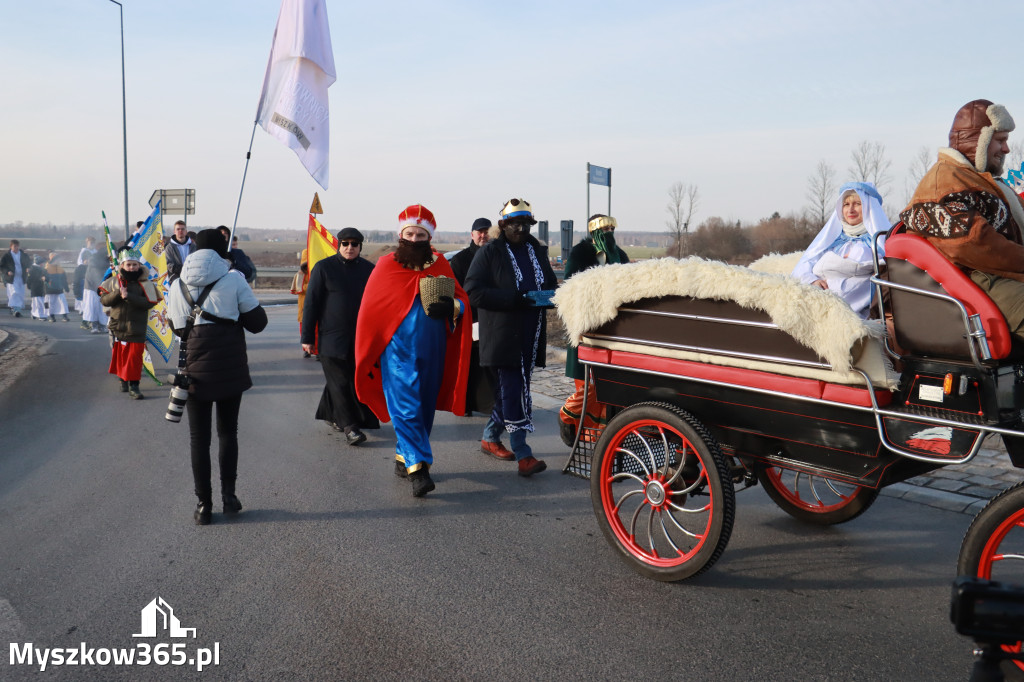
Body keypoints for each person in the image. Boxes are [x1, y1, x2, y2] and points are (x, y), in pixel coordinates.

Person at [354, 204, 472, 497]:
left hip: (433, 349)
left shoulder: (440, 264)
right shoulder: (386, 266)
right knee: (405, 406)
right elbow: (370, 310)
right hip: (397, 351)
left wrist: (453, 307)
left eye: (421, 234)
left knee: (424, 406)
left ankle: (402, 456)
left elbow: (462, 301)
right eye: (410, 233)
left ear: (429, 237)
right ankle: (419, 468)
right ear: (401, 234)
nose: (415, 239)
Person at [165, 229, 268, 526]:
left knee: (199, 440)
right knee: (227, 433)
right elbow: (258, 323)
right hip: (229, 366)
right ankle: (229, 496)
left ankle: (203, 505)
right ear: (223, 250)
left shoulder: (176, 285)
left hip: (194, 370)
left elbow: (177, 329)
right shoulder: (233, 278)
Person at [901, 99, 1024, 339]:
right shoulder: (944, 181)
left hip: (994, 278)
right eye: (1000, 140)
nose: (1007, 149)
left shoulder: (981, 180)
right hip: (972, 282)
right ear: (978, 141)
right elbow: (972, 242)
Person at [465, 198, 557, 476]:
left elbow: (550, 283)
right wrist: (515, 298)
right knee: (515, 389)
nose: (520, 228)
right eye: (514, 223)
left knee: (512, 390)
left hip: (531, 333)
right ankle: (523, 453)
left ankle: (490, 436)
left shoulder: (536, 251)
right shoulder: (490, 253)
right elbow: (473, 291)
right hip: (502, 333)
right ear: (503, 226)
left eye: (525, 224)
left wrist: (550, 297)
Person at [558, 214, 631, 445]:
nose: (608, 232)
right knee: (588, 387)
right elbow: (570, 285)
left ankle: (598, 440)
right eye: (604, 228)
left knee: (606, 390)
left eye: (612, 228)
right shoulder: (581, 252)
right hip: (587, 329)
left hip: (612, 331)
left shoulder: (619, 254)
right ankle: (568, 418)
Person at [302, 227, 379, 445]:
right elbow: (311, 304)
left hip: (360, 339)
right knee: (340, 382)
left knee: (348, 381)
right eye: (345, 243)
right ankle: (350, 427)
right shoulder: (324, 268)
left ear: (360, 247)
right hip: (331, 339)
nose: (350, 248)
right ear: (339, 245)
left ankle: (331, 414)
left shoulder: (369, 270)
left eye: (354, 244)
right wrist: (307, 337)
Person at [791, 182, 889, 318]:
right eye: (846, 204)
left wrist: (826, 277)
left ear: (869, 207)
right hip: (814, 301)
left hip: (850, 311)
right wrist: (812, 280)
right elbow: (804, 265)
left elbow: (859, 282)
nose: (850, 210)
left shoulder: (877, 242)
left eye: (857, 204)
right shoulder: (831, 239)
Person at [447, 217, 495, 418]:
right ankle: (465, 404)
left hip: (491, 317)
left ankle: (489, 405)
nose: (483, 235)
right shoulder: (460, 260)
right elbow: (454, 290)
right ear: (472, 235)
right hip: (468, 318)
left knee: (488, 364)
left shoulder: (497, 256)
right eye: (479, 232)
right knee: (467, 363)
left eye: (486, 231)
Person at [98, 247, 161, 399]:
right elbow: (104, 300)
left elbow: (149, 303)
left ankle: (134, 385)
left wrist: (129, 296)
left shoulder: (146, 284)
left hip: (136, 328)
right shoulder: (113, 282)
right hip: (117, 325)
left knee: (134, 358)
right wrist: (118, 294)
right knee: (121, 356)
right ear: (122, 266)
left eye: (135, 265)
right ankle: (123, 380)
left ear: (139, 266)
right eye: (129, 265)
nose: (132, 268)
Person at [290, 248, 314, 357]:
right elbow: (298, 289)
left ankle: (317, 350)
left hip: (317, 306)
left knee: (318, 329)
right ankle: (306, 349)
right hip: (304, 306)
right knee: (304, 328)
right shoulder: (300, 274)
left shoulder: (319, 271)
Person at [81, 249, 109, 333]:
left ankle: (102, 325)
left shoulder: (103, 263)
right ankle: (94, 325)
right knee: (93, 307)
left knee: (101, 307)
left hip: (101, 287)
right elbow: (96, 277)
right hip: (92, 289)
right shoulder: (94, 263)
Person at [1, 240, 31, 317]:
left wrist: (28, 268)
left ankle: (16, 308)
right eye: (14, 246)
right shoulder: (7, 256)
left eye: (17, 246)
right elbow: (2, 266)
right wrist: (7, 271)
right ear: (11, 246)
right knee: (14, 293)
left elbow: (29, 263)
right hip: (11, 278)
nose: (16, 248)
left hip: (21, 277)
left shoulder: (23, 255)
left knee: (20, 293)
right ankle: (15, 309)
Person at [44, 251, 70, 322]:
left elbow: (64, 279)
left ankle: (65, 316)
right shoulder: (46, 268)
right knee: (50, 304)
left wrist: (66, 288)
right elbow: (43, 279)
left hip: (59, 289)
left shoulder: (60, 269)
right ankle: (51, 316)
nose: (59, 261)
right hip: (49, 290)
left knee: (63, 302)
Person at [26, 255, 49, 321]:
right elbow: (29, 279)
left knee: (36, 302)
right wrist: (29, 285)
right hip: (36, 287)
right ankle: (40, 315)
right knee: (38, 302)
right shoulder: (33, 269)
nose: (43, 264)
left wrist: (45, 278)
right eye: (42, 263)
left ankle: (34, 313)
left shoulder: (39, 269)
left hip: (39, 288)